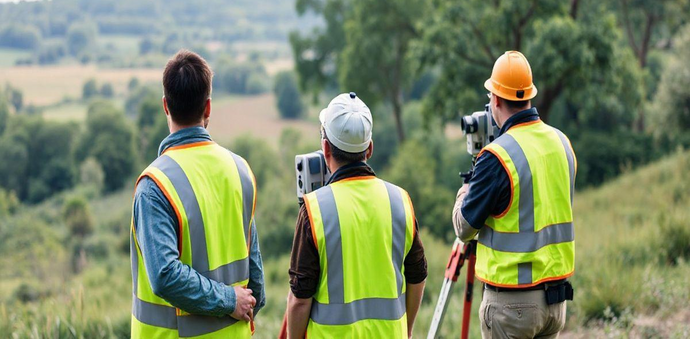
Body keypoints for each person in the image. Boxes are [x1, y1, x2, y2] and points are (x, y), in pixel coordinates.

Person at [130, 50, 265, 338]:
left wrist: (228, 300)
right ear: (208, 108)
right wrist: (235, 302)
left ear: (166, 106)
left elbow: (164, 276)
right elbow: (257, 280)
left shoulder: (155, 185)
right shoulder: (240, 170)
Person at [452, 51, 576, 339]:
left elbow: (464, 227)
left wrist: (465, 190)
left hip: (512, 307)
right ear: (529, 97)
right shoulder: (562, 143)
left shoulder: (497, 156)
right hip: (555, 302)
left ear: (495, 99)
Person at [286, 92, 428, 338]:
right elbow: (418, 276)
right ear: (369, 149)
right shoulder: (400, 200)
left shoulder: (314, 210)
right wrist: (406, 331)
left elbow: (300, 300)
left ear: (326, 147)